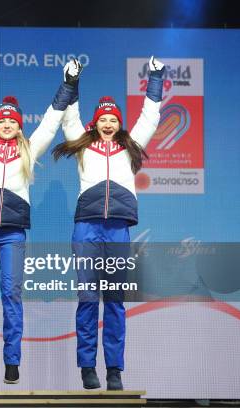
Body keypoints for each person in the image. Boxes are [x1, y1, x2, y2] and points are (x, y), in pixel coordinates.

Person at [0, 57, 81, 384]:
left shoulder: (29, 150)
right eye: (2, 121)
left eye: (12, 122)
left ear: (19, 126)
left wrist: (68, 85)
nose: (7, 125)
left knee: (11, 293)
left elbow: (50, 123)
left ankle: (12, 360)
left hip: (12, 234)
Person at [52, 56, 166, 390]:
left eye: (112, 119)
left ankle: (114, 369)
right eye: (102, 118)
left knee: (114, 300)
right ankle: (88, 366)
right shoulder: (83, 147)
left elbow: (151, 115)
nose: (107, 123)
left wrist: (155, 77)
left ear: (118, 123)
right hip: (87, 226)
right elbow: (68, 117)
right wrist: (71, 81)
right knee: (88, 297)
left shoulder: (131, 147)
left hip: (117, 228)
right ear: (95, 122)